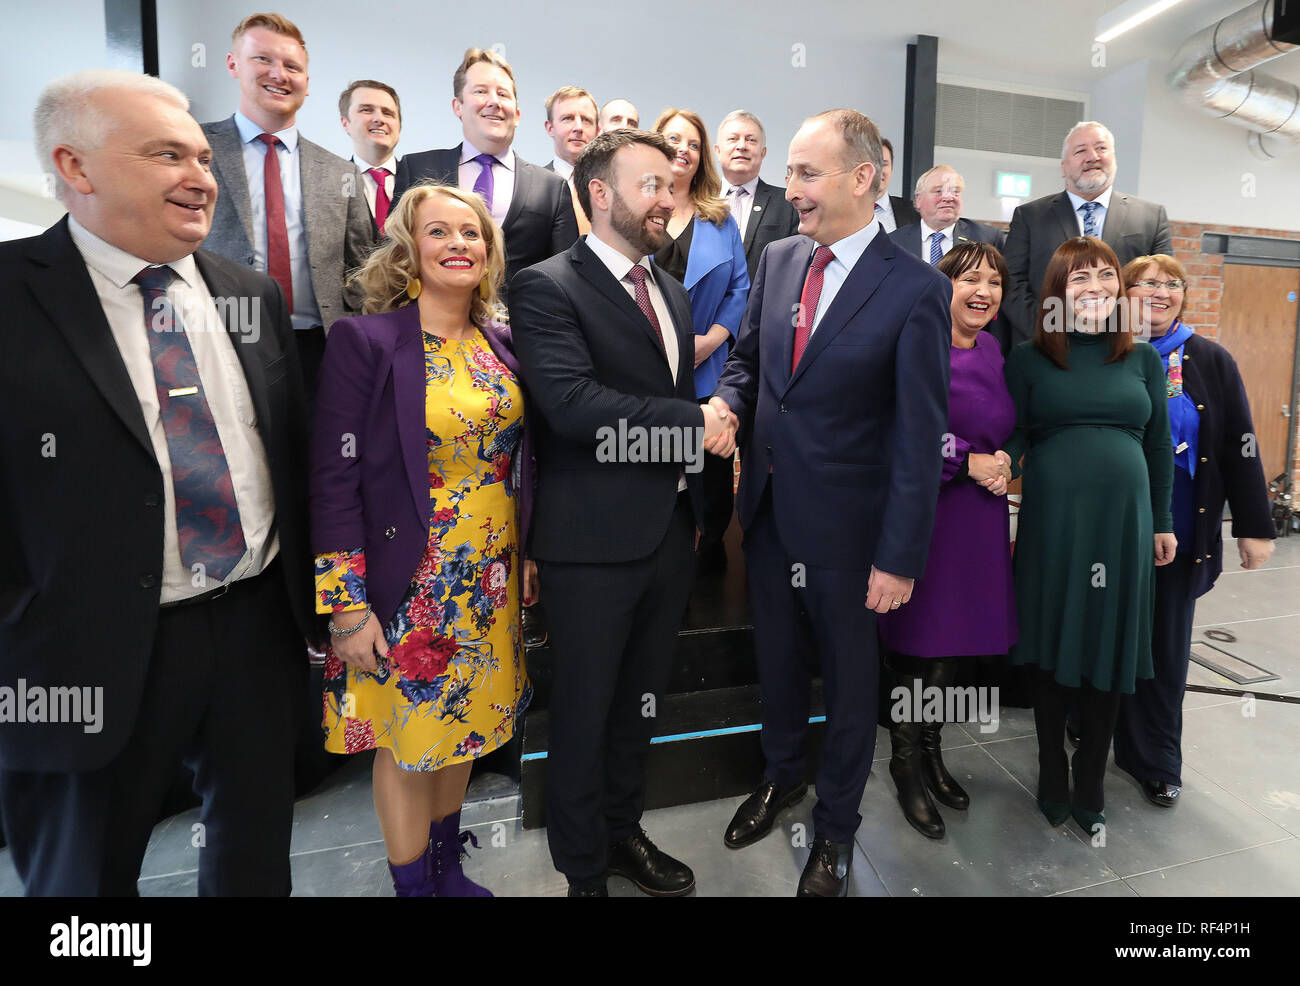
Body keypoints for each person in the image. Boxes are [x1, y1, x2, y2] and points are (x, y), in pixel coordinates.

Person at [0, 69, 314, 895]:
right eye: (166, 154)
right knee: (85, 886)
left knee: (251, 860)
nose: (201, 177)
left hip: (253, 631)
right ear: (76, 166)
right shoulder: (10, 295)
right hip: (77, 656)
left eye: (204, 158)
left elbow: (285, 453)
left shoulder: (251, 294)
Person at [712, 109, 951, 896]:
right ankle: (784, 775)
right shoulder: (780, 259)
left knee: (850, 684)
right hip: (772, 516)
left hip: (854, 537)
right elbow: (749, 364)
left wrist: (898, 557)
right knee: (776, 663)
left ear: (861, 177)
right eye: (789, 172)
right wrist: (726, 406)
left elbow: (920, 437)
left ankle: (837, 829)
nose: (792, 189)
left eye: (807, 174)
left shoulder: (915, 288)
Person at [510, 128, 736, 897]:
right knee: (582, 714)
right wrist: (692, 424)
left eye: (672, 186)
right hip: (592, 545)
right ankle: (583, 874)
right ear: (600, 194)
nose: (668, 200)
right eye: (651, 185)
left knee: (639, 706)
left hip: (670, 533)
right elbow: (573, 407)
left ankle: (621, 832)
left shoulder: (668, 289)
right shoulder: (545, 286)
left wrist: (706, 424)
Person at [310, 183, 535, 896]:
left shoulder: (502, 344)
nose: (459, 245)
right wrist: (346, 606)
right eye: (440, 232)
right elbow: (332, 478)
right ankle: (414, 886)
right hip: (407, 583)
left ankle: (445, 865)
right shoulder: (365, 342)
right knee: (407, 742)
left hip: (488, 578)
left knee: (461, 726)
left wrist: (527, 555)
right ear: (411, 250)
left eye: (472, 234)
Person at [1003, 236, 1175, 839]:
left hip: (1124, 524)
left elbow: (1157, 446)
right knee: (1053, 640)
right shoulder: (1028, 358)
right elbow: (1017, 433)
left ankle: (1092, 776)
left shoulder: (1142, 360)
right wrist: (998, 460)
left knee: (1109, 640)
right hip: (1055, 522)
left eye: (1105, 276)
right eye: (1079, 278)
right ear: (1058, 291)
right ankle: (1053, 766)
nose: (1095, 287)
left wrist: (1162, 521)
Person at [1112, 254, 1274, 808]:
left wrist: (1254, 526)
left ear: (1184, 295)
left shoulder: (1209, 359)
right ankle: (1090, 731)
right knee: (1105, 634)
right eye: (1145, 284)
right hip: (1109, 526)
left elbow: (1240, 445)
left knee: (1164, 644)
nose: (1158, 293)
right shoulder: (1104, 351)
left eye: (1170, 285)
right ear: (1123, 292)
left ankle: (1154, 757)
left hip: (1180, 526)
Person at [877, 242, 1017, 839]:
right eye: (968, 280)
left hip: (978, 523)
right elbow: (899, 431)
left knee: (952, 648)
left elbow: (1004, 423)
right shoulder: (919, 344)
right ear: (942, 289)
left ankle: (932, 752)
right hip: (929, 514)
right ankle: (905, 765)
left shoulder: (992, 348)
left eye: (993, 281)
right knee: (921, 648)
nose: (982, 291)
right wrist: (967, 460)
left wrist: (1006, 456)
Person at [200, 13, 373, 394]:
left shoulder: (338, 171)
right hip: (221, 343)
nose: (279, 74)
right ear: (233, 64)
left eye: (292, 66)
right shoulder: (196, 149)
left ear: (306, 83)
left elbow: (362, 266)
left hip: (321, 351)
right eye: (262, 59)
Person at [392, 48, 578, 302]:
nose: (494, 101)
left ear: (518, 113)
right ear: (458, 106)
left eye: (503, 94)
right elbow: (395, 258)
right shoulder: (417, 169)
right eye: (480, 91)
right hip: (430, 326)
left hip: (521, 329)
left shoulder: (551, 188)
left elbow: (566, 277)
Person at [653, 107, 750, 573]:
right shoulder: (638, 211)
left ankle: (708, 562)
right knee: (651, 463)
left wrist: (711, 341)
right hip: (644, 366)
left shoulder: (721, 219)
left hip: (706, 365)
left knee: (708, 474)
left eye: (693, 143)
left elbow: (740, 289)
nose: (683, 149)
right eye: (674, 139)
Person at [1003, 122, 1172, 346]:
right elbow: (1012, 283)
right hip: (1046, 348)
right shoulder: (1030, 216)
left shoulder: (1151, 216)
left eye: (1101, 148)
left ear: (1115, 159)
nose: (1092, 156)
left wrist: (1125, 334)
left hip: (1124, 348)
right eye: (1081, 150)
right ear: (1064, 167)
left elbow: (1164, 285)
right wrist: (1051, 332)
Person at [715, 109, 800, 282]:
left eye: (751, 140)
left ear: (763, 153)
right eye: (733, 139)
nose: (741, 146)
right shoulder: (697, 200)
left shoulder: (787, 203)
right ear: (717, 151)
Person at [890, 165, 1005, 264]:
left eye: (955, 191)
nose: (948, 197)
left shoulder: (987, 238)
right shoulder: (894, 241)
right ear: (919, 199)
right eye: (938, 191)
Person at [339, 79, 402, 237]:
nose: (379, 119)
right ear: (345, 123)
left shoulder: (420, 181)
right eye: (366, 110)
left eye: (388, 113)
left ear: (399, 125)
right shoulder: (333, 183)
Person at [543, 85, 598, 235]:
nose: (578, 127)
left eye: (586, 120)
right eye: (568, 119)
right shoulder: (535, 187)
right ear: (550, 128)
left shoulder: (611, 187)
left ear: (597, 131)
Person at [874, 137, 919, 232]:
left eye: (884, 164)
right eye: (873, 164)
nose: (879, 170)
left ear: (891, 168)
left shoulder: (915, 214)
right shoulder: (841, 212)